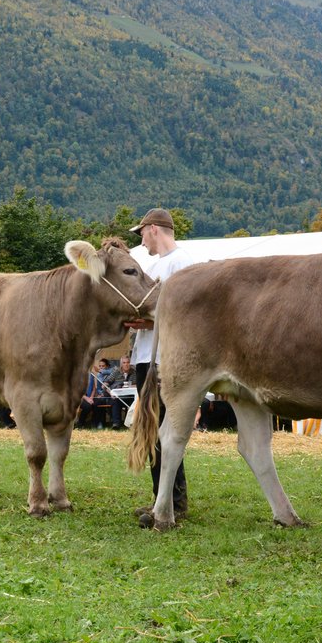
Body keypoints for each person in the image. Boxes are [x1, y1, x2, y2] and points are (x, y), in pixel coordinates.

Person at [127, 208, 194, 515]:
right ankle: (162, 497)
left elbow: (187, 316)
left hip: (166, 359)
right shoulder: (154, 265)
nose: (141, 240)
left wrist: (149, 323)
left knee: (165, 430)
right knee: (153, 430)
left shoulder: (183, 264)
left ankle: (173, 502)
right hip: (146, 357)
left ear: (154, 229)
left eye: (141, 233)